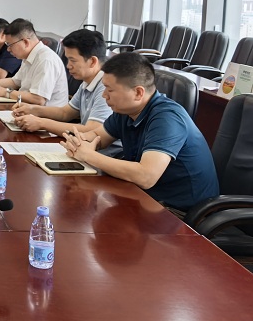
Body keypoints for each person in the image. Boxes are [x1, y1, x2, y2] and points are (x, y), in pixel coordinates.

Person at [60, 52, 219, 212]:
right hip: (146, 198)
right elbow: (97, 137)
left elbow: (146, 177)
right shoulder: (125, 111)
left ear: (138, 93)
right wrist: (78, 142)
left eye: (110, 90)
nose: (104, 95)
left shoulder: (167, 118)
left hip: (180, 212)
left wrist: (88, 155)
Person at [12, 29, 112, 136]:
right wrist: (32, 109)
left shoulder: (106, 87)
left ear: (92, 61)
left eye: (73, 60)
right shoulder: (87, 82)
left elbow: (92, 130)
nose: (68, 65)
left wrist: (41, 123)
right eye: (67, 60)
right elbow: (65, 113)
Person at [0, 18, 67, 106]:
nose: (8, 49)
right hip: (27, 108)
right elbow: (15, 82)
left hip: (44, 115)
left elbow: (38, 99)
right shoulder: (28, 56)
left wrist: (6, 92)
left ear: (25, 42)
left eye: (10, 45)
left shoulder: (46, 60)